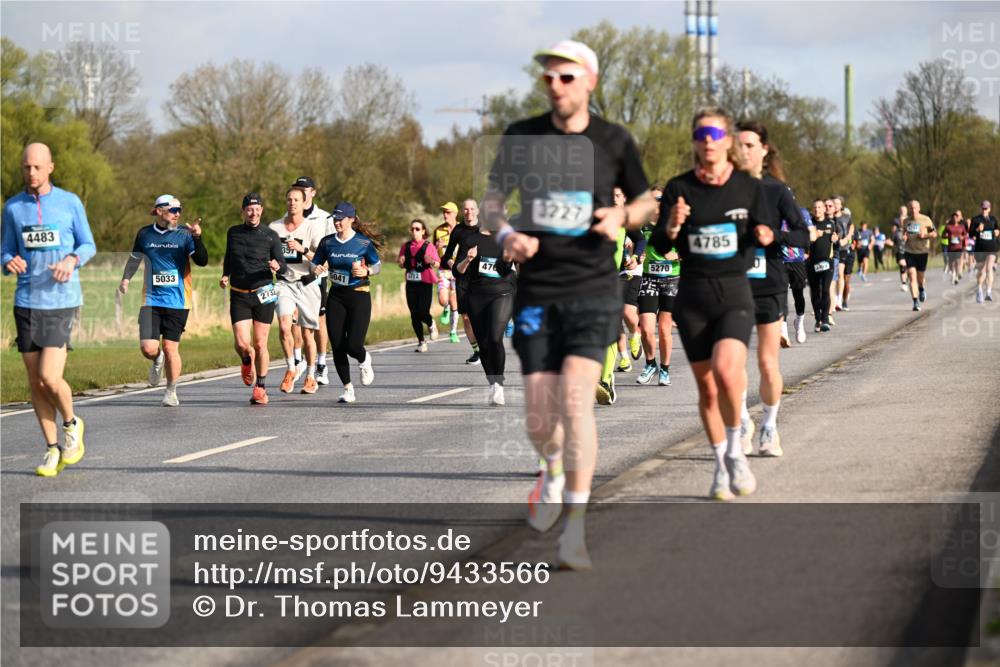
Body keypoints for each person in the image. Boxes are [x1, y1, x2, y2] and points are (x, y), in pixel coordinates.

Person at [481, 39, 655, 569]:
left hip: (594, 289)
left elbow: (647, 201)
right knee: (540, 415)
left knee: (576, 400)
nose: (556, 86)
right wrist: (507, 232)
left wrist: (621, 218)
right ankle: (551, 466)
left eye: (567, 77)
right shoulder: (522, 136)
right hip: (538, 289)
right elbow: (491, 202)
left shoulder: (613, 141)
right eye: (549, 78)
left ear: (590, 82)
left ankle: (575, 530)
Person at [651, 107, 774, 500]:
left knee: (725, 371)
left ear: (727, 141)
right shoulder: (678, 188)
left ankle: (737, 451)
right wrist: (672, 225)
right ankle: (722, 464)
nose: (708, 140)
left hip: (735, 294)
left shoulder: (747, 187)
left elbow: (762, 231)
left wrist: (765, 234)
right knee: (706, 389)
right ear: (694, 141)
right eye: (701, 133)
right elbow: (659, 245)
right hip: (693, 298)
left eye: (715, 134)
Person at [2, 142, 96, 477]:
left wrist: (72, 259)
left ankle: (71, 424)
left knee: (49, 376)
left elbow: (88, 244)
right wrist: (6, 260)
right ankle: (52, 448)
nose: (31, 173)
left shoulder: (69, 203)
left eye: (37, 167)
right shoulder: (13, 208)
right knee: (35, 381)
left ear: (50, 167)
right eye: (26, 167)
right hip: (26, 301)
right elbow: (6, 249)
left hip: (61, 301)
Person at [735, 120, 809, 458]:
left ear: (764, 150)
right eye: (739, 144)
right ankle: (741, 422)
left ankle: (769, 426)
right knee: (731, 363)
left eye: (750, 144)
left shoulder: (776, 190)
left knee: (767, 362)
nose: (743, 150)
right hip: (730, 283)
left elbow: (802, 234)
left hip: (768, 282)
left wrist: (774, 236)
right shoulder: (722, 186)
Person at [118, 195, 208, 407]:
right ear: (159, 211)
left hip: (177, 300)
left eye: (179, 210)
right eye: (173, 210)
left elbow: (202, 261)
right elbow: (135, 258)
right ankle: (156, 360)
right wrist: (125, 279)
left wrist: (197, 238)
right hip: (151, 298)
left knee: (170, 348)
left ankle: (171, 390)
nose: (177, 214)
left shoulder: (185, 235)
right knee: (149, 348)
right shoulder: (144, 234)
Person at [311, 202, 383, 404]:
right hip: (336, 296)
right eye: (335, 219)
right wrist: (314, 269)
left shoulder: (362, 243)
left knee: (353, 345)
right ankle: (347, 388)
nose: (337, 222)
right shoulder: (327, 243)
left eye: (341, 219)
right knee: (337, 344)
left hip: (359, 296)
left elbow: (377, 266)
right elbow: (315, 263)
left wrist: (366, 271)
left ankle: (363, 359)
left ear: (352, 219)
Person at [221, 193, 287, 405]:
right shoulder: (233, 233)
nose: (253, 213)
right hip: (239, 293)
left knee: (260, 343)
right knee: (242, 344)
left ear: (262, 211)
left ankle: (260, 387)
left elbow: (283, 265)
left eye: (257, 209)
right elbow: (230, 258)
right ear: (243, 211)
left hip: (263, 293)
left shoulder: (271, 235)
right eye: (249, 209)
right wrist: (225, 275)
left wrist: (278, 267)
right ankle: (246, 360)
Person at [270, 187, 326, 394]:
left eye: (296, 200)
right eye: (289, 199)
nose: (292, 203)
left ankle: (311, 375)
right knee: (285, 326)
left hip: (308, 283)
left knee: (308, 334)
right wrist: (272, 263)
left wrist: (302, 249)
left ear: (304, 203)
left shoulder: (312, 228)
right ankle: (292, 368)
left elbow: (323, 260)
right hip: (285, 283)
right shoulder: (275, 227)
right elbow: (267, 254)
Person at [454, 225, 516, 405]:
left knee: (495, 338)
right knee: (484, 343)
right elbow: (457, 271)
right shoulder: (470, 239)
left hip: (502, 293)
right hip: (476, 296)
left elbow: (506, 269)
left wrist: (508, 258)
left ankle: (500, 385)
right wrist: (467, 259)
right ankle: (493, 383)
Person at [636, 185, 678, 386]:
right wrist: (633, 253)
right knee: (645, 328)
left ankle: (665, 369)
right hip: (649, 278)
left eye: (660, 199)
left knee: (664, 329)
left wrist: (677, 255)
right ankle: (650, 364)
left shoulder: (674, 224)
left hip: (672, 279)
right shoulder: (642, 225)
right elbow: (634, 243)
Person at [293, 176, 333, 385]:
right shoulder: (289, 216)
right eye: (298, 189)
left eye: (305, 189)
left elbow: (332, 247)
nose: (302, 192)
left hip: (317, 276)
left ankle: (321, 363)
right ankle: (298, 360)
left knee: (319, 321)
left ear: (313, 192)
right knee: (295, 318)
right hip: (295, 275)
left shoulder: (325, 218)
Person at [443, 199, 482, 364]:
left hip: (481, 277)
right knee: (466, 317)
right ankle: (477, 351)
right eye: (465, 209)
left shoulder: (485, 229)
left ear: (477, 211)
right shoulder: (458, 230)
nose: (469, 212)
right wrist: (454, 267)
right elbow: (447, 256)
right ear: (462, 212)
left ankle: (487, 344)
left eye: (472, 209)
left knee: (481, 314)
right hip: (463, 277)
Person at [397, 218, 440, 352]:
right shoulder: (406, 246)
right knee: (414, 314)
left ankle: (431, 322)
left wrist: (431, 261)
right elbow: (400, 263)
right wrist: (401, 262)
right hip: (411, 283)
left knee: (423, 312)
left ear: (423, 231)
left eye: (417, 229)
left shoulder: (429, 246)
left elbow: (437, 263)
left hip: (425, 283)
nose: (414, 231)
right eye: (412, 229)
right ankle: (421, 342)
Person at [613, 187, 644, 373]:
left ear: (624, 198)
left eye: (617, 195)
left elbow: (640, 240)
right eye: (611, 195)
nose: (614, 199)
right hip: (609, 274)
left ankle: (635, 333)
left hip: (628, 270)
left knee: (626, 312)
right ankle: (624, 359)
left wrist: (636, 256)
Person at [782, 206, 816, 345]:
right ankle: (783, 330)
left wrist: (807, 248)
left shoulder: (802, 213)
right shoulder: (774, 211)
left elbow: (810, 234)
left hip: (797, 260)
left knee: (798, 294)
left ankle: (799, 322)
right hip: (780, 260)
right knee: (781, 294)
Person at [808, 198, 837, 333]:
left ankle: (825, 320)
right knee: (815, 292)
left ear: (824, 209)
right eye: (815, 207)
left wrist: (835, 240)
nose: (817, 210)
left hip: (827, 262)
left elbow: (835, 241)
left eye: (819, 207)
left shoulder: (831, 224)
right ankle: (818, 320)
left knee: (825, 290)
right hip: (812, 263)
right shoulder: (809, 224)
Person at [902, 199, 937, 311]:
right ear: (908, 209)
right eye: (911, 208)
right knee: (912, 275)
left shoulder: (926, 219)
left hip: (922, 252)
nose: (913, 210)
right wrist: (905, 236)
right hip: (909, 251)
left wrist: (925, 235)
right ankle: (915, 301)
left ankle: (921, 289)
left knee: (920, 277)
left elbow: (934, 233)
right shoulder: (906, 221)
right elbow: (905, 232)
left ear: (919, 208)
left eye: (915, 208)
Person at [432, 202, 460, 341]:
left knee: (456, 301)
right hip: (443, 269)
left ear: (455, 213)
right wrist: (438, 246)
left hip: (458, 270)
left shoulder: (462, 229)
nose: (445, 215)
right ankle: (446, 307)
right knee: (443, 300)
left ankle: (453, 332)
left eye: (448, 212)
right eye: (444, 212)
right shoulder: (438, 231)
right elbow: (433, 250)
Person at [971, 200, 998, 303]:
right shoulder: (975, 220)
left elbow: (998, 230)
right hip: (980, 249)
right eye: (983, 208)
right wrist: (978, 230)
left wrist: (997, 232)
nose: (984, 210)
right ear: (980, 208)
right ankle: (979, 290)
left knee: (989, 268)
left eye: (986, 209)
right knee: (981, 270)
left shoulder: (993, 219)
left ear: (989, 209)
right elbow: (970, 234)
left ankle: (989, 292)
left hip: (992, 248)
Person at [833, 196, 854, 311]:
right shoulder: (829, 217)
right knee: (833, 276)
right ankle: (832, 298)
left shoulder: (846, 217)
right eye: (833, 203)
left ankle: (839, 299)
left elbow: (851, 226)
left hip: (842, 249)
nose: (835, 205)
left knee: (840, 273)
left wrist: (848, 237)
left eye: (837, 203)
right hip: (832, 248)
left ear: (841, 206)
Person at [942, 210, 968, 285]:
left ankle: (956, 276)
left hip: (958, 247)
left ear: (958, 218)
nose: (955, 219)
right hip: (951, 247)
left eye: (956, 217)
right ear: (951, 218)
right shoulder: (948, 227)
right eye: (953, 217)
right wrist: (948, 236)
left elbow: (966, 235)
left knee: (957, 261)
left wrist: (962, 237)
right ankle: (953, 273)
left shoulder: (962, 227)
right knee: (951, 262)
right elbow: (943, 235)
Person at [891, 207, 907, 291]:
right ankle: (904, 283)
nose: (902, 222)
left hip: (909, 251)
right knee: (902, 265)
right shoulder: (896, 232)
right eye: (901, 221)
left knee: (906, 266)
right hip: (899, 251)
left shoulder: (910, 230)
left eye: (904, 221)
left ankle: (905, 281)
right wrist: (891, 243)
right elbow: (893, 242)